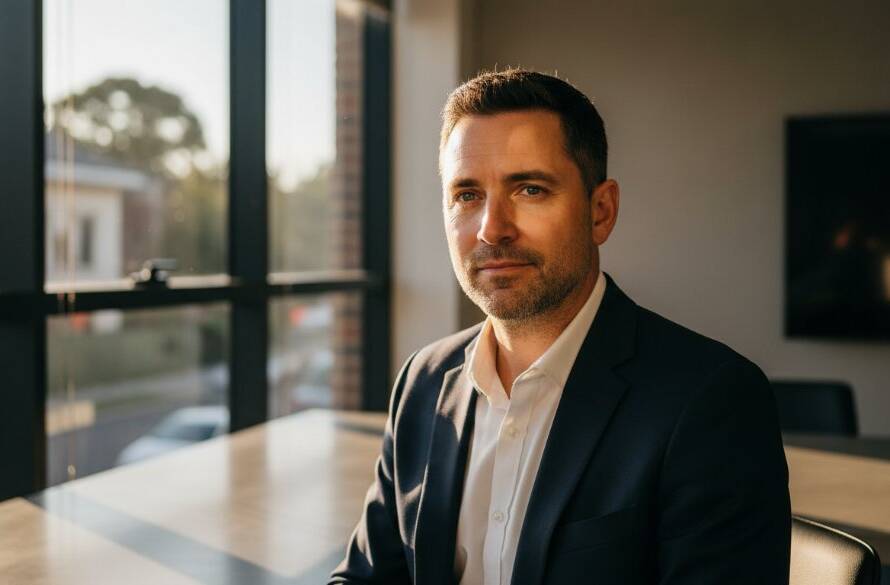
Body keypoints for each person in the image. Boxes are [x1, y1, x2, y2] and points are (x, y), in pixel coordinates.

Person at [329, 69, 790, 585]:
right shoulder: (423, 380)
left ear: (600, 211)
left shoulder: (710, 400)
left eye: (529, 189)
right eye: (466, 195)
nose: (492, 228)